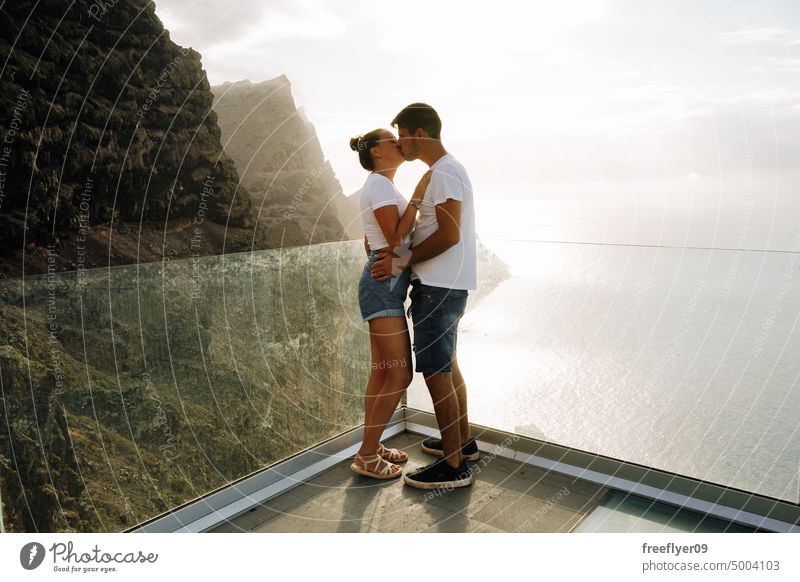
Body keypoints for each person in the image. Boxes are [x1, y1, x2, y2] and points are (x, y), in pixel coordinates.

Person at [370, 104, 478, 489]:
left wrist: (402, 262)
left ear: (418, 133)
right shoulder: (447, 170)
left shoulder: (445, 172)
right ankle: (462, 444)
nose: (399, 141)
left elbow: (449, 235)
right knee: (447, 363)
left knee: (435, 371)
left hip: (438, 287)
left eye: (401, 134)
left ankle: (453, 467)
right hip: (448, 285)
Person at [349, 128, 431, 479]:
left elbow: (374, 240)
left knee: (382, 372)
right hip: (383, 285)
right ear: (378, 153)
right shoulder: (380, 185)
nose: (398, 144)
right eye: (391, 141)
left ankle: (372, 444)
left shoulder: (380, 186)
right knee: (399, 373)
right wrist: (417, 199)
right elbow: (396, 237)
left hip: (383, 281)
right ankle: (366, 456)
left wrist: (384, 254)